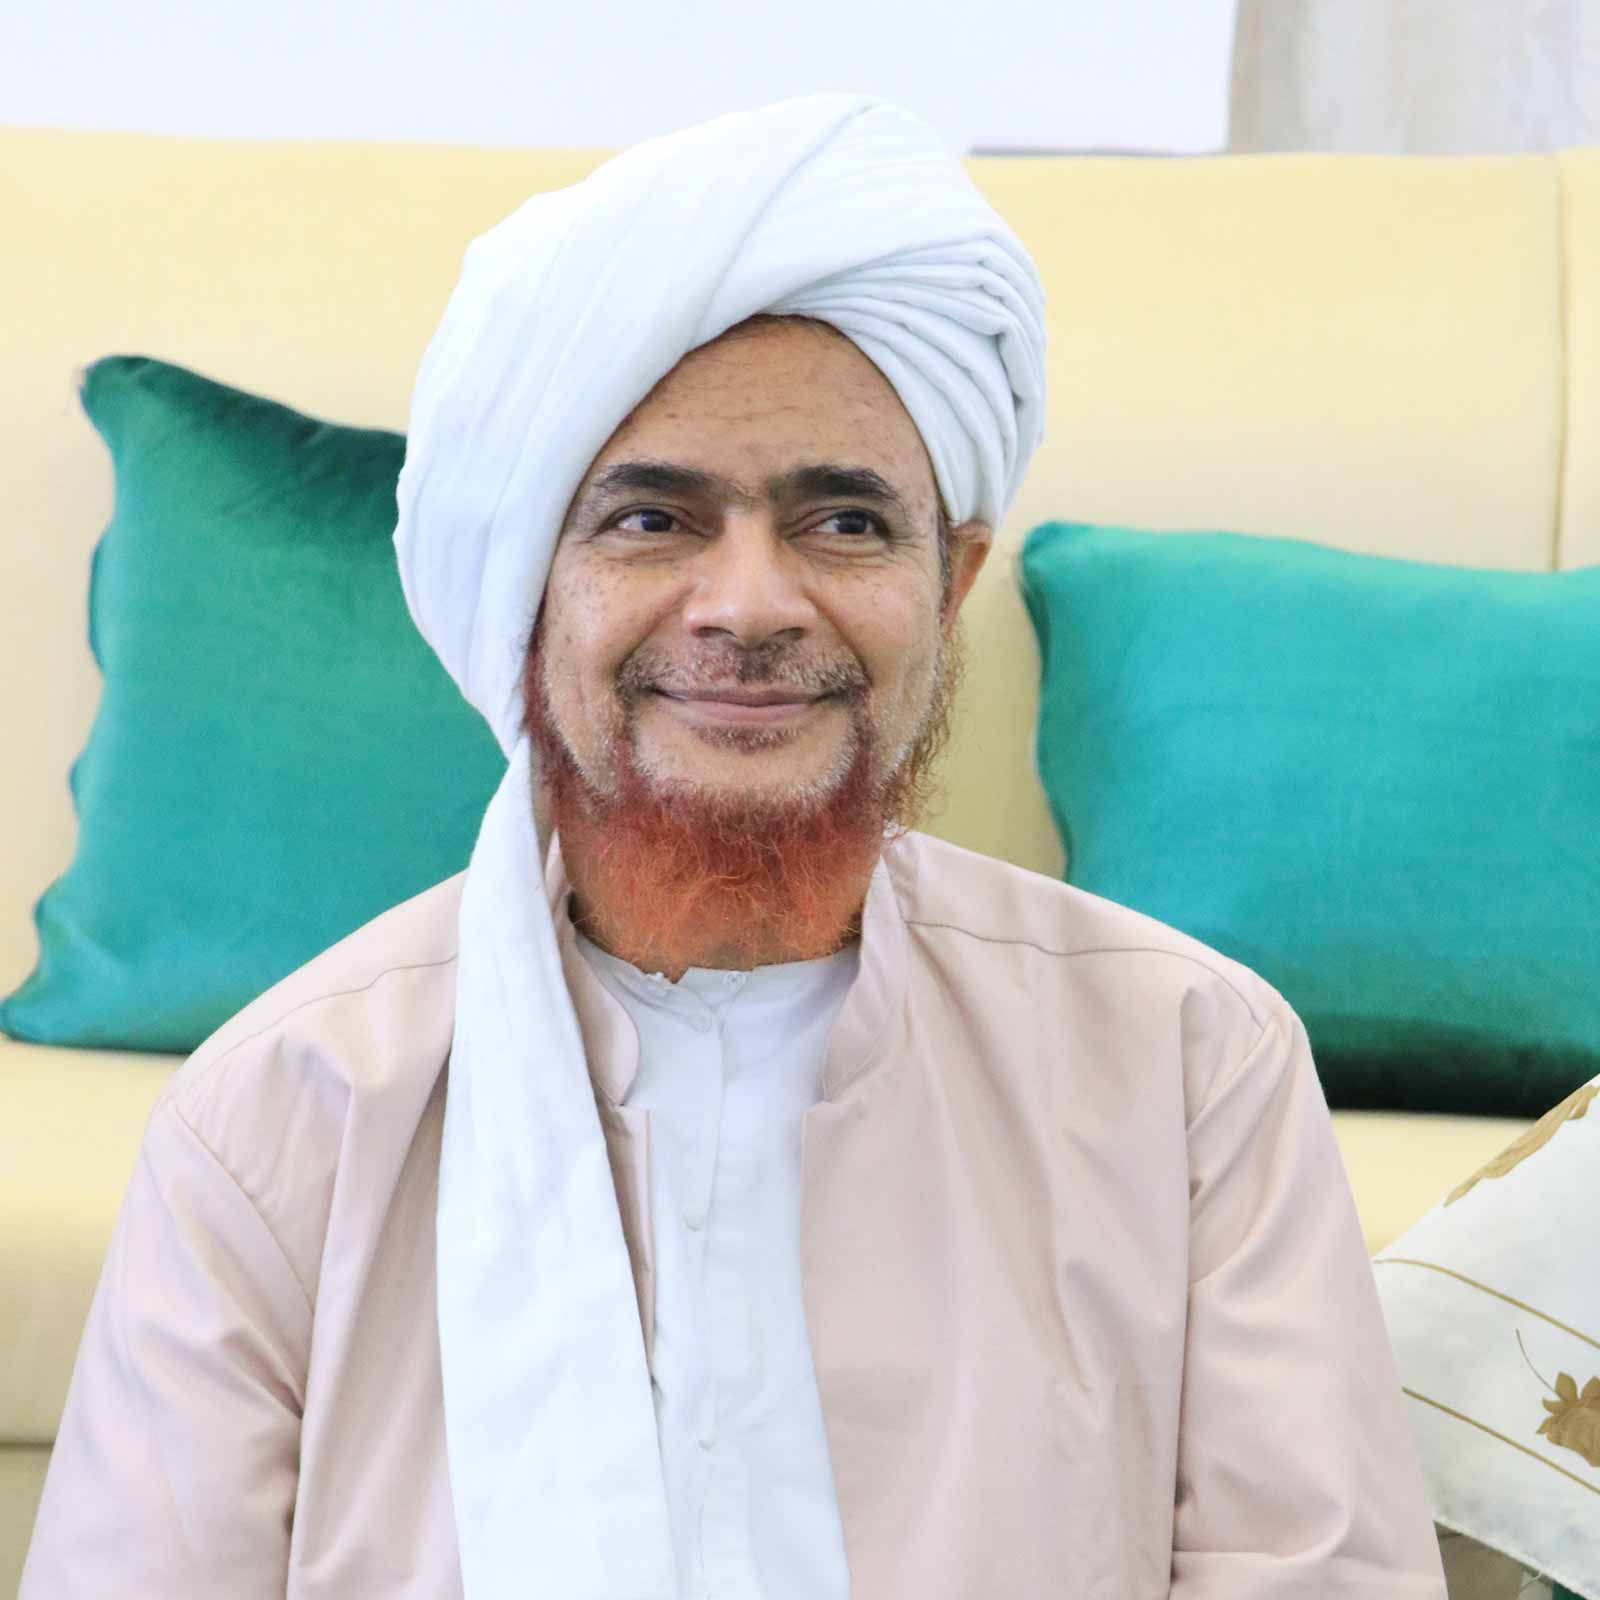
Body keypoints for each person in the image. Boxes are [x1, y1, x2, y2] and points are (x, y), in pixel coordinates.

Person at [21, 93, 1449, 1598]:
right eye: (652, 521)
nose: (751, 606)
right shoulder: (279, 1119)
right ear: (525, 586)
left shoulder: (1190, 1070)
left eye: (844, 523)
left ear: (952, 581)